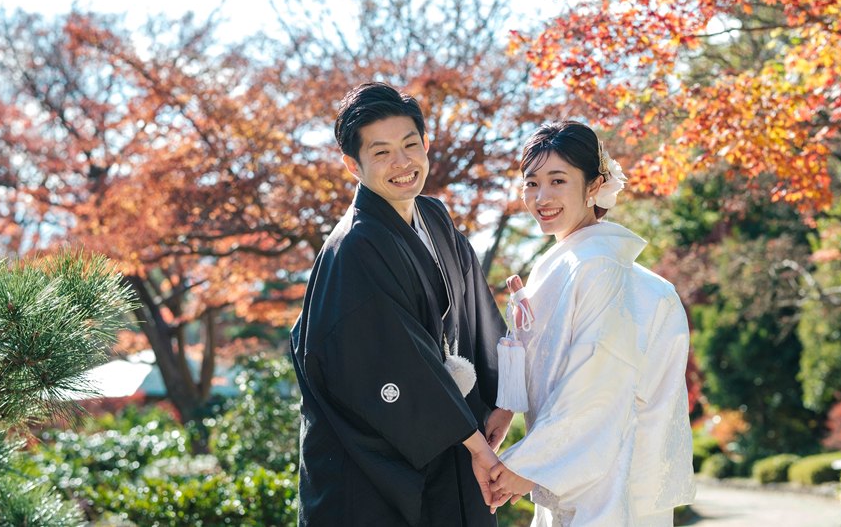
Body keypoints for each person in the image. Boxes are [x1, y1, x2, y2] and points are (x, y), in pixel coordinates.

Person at [289, 82, 511, 526]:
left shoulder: (435, 218)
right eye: (382, 152)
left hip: (449, 444)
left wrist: (503, 401)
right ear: (353, 165)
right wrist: (475, 444)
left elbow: (474, 317)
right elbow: (396, 359)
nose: (402, 163)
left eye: (410, 145)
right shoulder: (355, 246)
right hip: (370, 468)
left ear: (426, 144)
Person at [488, 121, 695, 527]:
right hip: (578, 471)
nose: (542, 198)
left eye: (558, 180)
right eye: (531, 183)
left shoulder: (598, 265)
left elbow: (598, 381)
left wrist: (527, 465)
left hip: (608, 477)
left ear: (594, 185)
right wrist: (507, 406)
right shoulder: (566, 262)